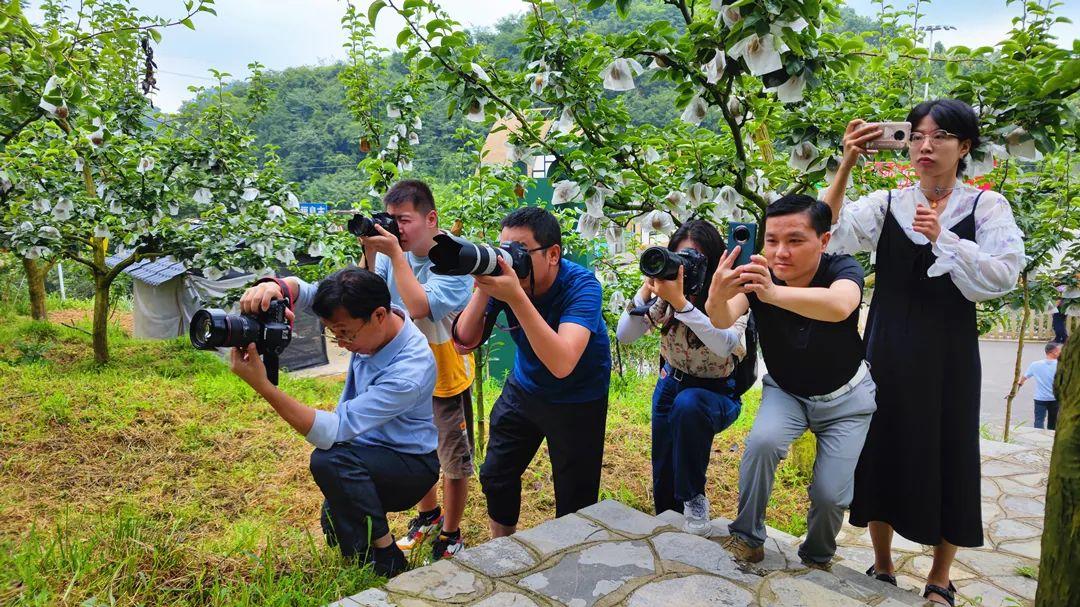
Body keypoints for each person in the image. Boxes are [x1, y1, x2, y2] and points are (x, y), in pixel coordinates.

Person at [824, 99, 1024, 606]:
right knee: (881, 446)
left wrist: (947, 241)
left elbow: (1001, 276)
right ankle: (884, 563)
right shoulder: (888, 201)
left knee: (951, 451)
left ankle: (940, 577)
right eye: (916, 136)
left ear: (965, 147)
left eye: (940, 137)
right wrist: (847, 162)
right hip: (886, 345)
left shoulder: (986, 206)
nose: (925, 146)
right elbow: (827, 236)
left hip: (949, 353)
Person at [243, 180, 475, 561]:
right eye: (391, 221)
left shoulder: (453, 257)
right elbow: (356, 293)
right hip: (389, 351)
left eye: (404, 221)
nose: (396, 230)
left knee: (450, 456)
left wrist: (396, 257)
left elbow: (418, 307)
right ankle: (426, 514)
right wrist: (280, 285)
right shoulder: (381, 276)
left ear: (431, 218)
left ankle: (448, 533)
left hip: (440, 370)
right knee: (344, 515)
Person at [229, 268, 438, 577]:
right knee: (339, 531)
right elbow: (302, 290)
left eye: (345, 333)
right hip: (366, 452)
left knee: (329, 461)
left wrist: (265, 387)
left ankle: (387, 552)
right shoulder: (364, 316)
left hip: (409, 466)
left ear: (379, 315)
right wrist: (273, 288)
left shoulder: (410, 370)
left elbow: (332, 431)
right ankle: (366, 540)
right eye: (332, 332)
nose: (341, 342)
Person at [706, 194, 876, 570]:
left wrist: (772, 293)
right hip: (787, 391)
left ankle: (817, 559)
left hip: (847, 399)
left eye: (795, 240)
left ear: (824, 241)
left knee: (830, 495)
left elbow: (839, 306)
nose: (780, 252)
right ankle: (748, 538)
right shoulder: (758, 273)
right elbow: (721, 319)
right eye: (771, 240)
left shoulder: (841, 268)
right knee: (762, 445)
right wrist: (716, 296)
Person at [452, 206, 612, 538]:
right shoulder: (507, 282)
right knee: (496, 474)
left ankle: (570, 563)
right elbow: (464, 340)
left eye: (520, 251)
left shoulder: (582, 286)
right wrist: (485, 285)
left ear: (553, 254)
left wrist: (514, 296)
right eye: (504, 250)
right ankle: (503, 547)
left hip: (578, 398)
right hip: (524, 388)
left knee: (575, 498)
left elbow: (562, 363)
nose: (510, 260)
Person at [615, 220, 747, 535]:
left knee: (689, 405)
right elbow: (625, 334)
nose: (683, 267)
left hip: (716, 392)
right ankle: (667, 523)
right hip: (669, 382)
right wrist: (648, 286)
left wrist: (682, 304)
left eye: (694, 260)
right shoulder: (668, 292)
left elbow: (724, 343)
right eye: (678, 257)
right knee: (663, 466)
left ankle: (693, 499)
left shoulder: (731, 294)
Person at [1019, 342, 1062, 430]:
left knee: (1039, 420)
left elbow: (1024, 377)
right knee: (1053, 422)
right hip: (1055, 398)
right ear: (1053, 352)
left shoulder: (1035, 365)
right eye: (1059, 351)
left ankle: (1037, 436)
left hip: (1040, 398)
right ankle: (1050, 440)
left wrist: (1020, 383)